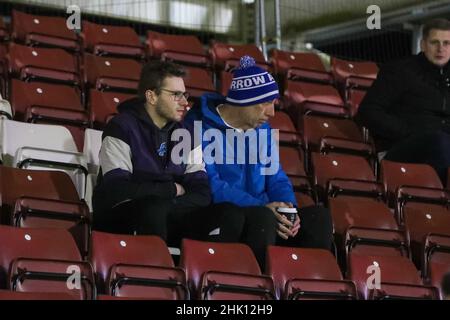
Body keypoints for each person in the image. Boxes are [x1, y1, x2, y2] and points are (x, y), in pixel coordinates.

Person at [184, 55, 333, 267]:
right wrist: (263, 207)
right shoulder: (198, 126)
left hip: (263, 212)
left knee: (319, 218)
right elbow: (210, 184)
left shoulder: (262, 130)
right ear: (242, 102)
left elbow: (277, 178)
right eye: (265, 104)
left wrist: (287, 209)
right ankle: (260, 290)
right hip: (227, 213)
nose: (271, 113)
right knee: (261, 218)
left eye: (273, 104)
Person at [93, 60, 217, 247]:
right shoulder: (121, 127)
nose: (185, 102)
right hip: (122, 216)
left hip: (169, 213)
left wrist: (168, 203)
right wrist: (172, 190)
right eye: (176, 95)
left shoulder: (188, 134)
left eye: (185, 94)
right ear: (151, 96)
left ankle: (207, 273)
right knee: (154, 209)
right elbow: (117, 190)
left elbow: (202, 192)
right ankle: (152, 273)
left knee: (229, 214)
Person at [357, 18, 450, 185]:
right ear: (422, 45)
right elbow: (368, 111)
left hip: (441, 146)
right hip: (399, 147)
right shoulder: (400, 70)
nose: (440, 49)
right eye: (434, 42)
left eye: (446, 43)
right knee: (440, 141)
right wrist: (408, 132)